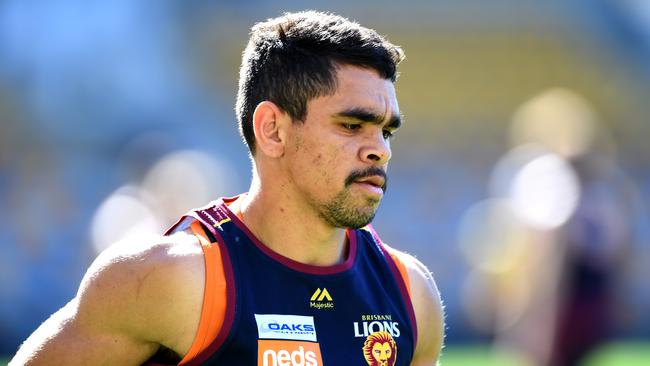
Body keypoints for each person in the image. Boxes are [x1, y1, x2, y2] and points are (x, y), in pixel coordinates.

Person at [10, 10, 444, 366]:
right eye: (352, 125)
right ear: (272, 130)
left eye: (386, 131)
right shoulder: (169, 279)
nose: (379, 151)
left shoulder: (410, 294)